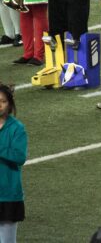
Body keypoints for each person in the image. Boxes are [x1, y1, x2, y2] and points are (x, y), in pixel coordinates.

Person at [0, 84, 27, 243]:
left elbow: (19, 157)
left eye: (2, 101)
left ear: (9, 104)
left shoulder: (17, 128)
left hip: (8, 195)